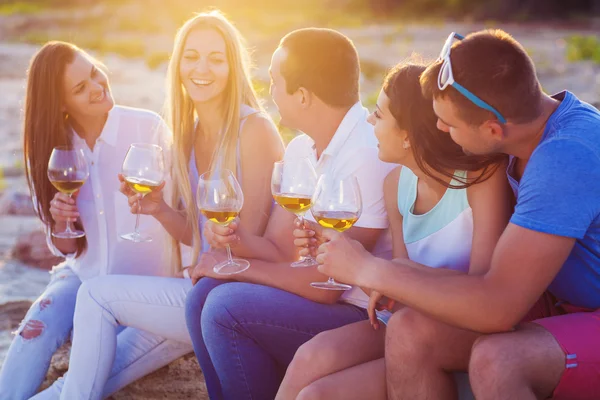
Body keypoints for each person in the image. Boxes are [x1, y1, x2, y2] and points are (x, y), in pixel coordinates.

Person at [316, 29, 600, 400]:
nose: (439, 129)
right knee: (408, 329)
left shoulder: (564, 155)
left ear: (493, 129)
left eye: (449, 124)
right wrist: (398, 275)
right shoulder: (525, 126)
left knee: (498, 361)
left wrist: (370, 270)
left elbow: (498, 306)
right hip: (556, 300)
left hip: (587, 310)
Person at [31, 11, 284, 400]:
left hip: (231, 296)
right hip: (195, 289)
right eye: (191, 56)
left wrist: (201, 260)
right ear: (178, 64)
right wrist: (160, 210)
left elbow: (239, 243)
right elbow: (198, 233)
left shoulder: (254, 131)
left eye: (216, 59)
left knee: (96, 295)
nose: (202, 68)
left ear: (234, 67)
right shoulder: (187, 134)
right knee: (84, 380)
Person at [275, 60, 511, 400]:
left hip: (465, 328)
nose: (369, 121)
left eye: (379, 114)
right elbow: (396, 292)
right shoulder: (395, 185)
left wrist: (388, 274)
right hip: (405, 321)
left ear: (407, 134)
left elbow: (484, 288)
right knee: (312, 356)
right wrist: (331, 256)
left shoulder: (481, 180)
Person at [184, 27, 395, 400]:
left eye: (274, 83)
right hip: (318, 299)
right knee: (203, 295)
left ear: (302, 96)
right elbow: (283, 252)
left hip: (362, 315)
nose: (270, 94)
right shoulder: (299, 150)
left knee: (225, 305)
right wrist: (235, 241)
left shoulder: (365, 152)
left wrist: (240, 268)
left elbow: (330, 286)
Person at [0, 41, 187, 400]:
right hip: (83, 276)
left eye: (95, 74)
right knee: (34, 329)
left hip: (141, 284)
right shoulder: (55, 150)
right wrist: (59, 222)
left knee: (99, 362)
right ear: (60, 104)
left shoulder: (147, 128)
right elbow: (68, 247)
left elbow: (183, 214)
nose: (98, 87)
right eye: (81, 88)